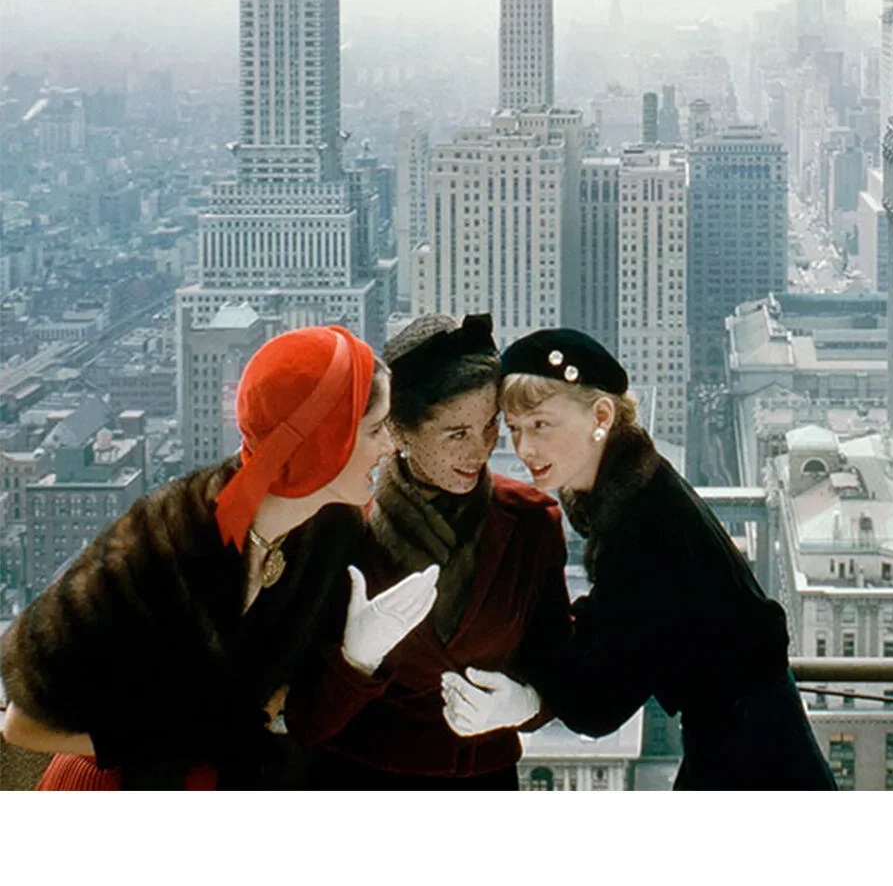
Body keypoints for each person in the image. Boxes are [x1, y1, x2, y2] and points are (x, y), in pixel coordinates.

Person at [0, 325, 439, 789]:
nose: (391, 446)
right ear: (323, 442)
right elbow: (23, 724)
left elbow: (303, 716)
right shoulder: (161, 546)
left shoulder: (332, 534)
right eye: (375, 429)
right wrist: (186, 737)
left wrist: (357, 660)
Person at [438, 327, 837, 790]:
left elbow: (597, 708)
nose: (525, 448)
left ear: (601, 415)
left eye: (541, 424)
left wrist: (526, 644)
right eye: (515, 429)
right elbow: (619, 616)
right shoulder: (640, 491)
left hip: (752, 760)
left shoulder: (642, 529)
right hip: (752, 737)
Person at [286, 313, 571, 788]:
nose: (480, 451)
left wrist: (527, 705)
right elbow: (304, 719)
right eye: (456, 434)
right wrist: (355, 663)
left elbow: (559, 670)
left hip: (486, 783)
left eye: (490, 426)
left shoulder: (532, 523)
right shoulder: (342, 528)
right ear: (400, 431)